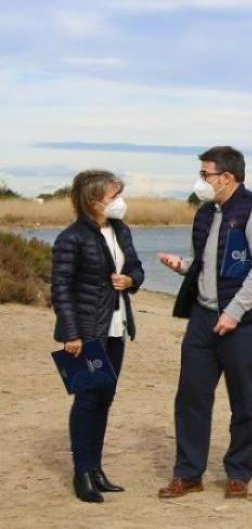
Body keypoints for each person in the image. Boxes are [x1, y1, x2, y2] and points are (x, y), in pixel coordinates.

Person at [156, 146, 252, 499]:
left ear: (226, 177)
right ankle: (188, 473)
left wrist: (235, 312)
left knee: (244, 401)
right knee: (191, 397)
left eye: (205, 175)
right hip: (203, 317)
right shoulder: (205, 213)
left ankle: (238, 474)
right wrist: (183, 266)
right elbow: (210, 262)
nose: (200, 181)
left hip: (247, 323)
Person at [51, 170, 145, 503]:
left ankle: (97, 469)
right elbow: (61, 288)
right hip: (89, 330)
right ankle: (83, 472)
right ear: (93, 200)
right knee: (88, 398)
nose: (119, 202)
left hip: (118, 327)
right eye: (113, 196)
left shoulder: (120, 230)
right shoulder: (72, 237)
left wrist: (131, 280)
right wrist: (72, 334)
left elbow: (136, 267)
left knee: (105, 397)